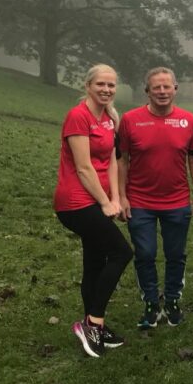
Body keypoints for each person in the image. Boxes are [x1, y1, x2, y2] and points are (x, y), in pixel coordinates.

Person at [118, 67, 193, 330]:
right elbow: (122, 160)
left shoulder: (189, 120)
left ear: (175, 89)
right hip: (139, 200)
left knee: (175, 254)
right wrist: (121, 196)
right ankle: (150, 303)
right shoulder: (130, 120)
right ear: (147, 91)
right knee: (145, 254)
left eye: (167, 86)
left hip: (177, 200)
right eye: (156, 87)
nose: (162, 91)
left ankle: (173, 301)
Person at [55, 64, 133, 357]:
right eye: (101, 84)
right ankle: (93, 322)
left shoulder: (110, 119)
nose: (107, 89)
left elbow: (111, 161)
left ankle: (94, 326)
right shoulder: (78, 116)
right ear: (88, 86)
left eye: (111, 85)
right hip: (76, 202)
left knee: (95, 262)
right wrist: (104, 202)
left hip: (98, 198)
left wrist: (115, 197)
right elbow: (84, 167)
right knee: (122, 252)